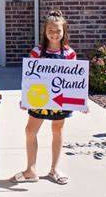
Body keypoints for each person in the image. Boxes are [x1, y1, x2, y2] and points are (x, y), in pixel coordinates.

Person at [13, 10, 77, 185]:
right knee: (30, 130)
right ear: (45, 31)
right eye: (51, 30)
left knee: (57, 131)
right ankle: (31, 169)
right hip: (39, 98)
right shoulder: (37, 52)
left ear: (64, 31)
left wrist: (80, 101)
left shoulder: (70, 53)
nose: (54, 34)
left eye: (58, 30)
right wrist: (25, 98)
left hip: (60, 99)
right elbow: (29, 78)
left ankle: (54, 169)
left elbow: (74, 81)